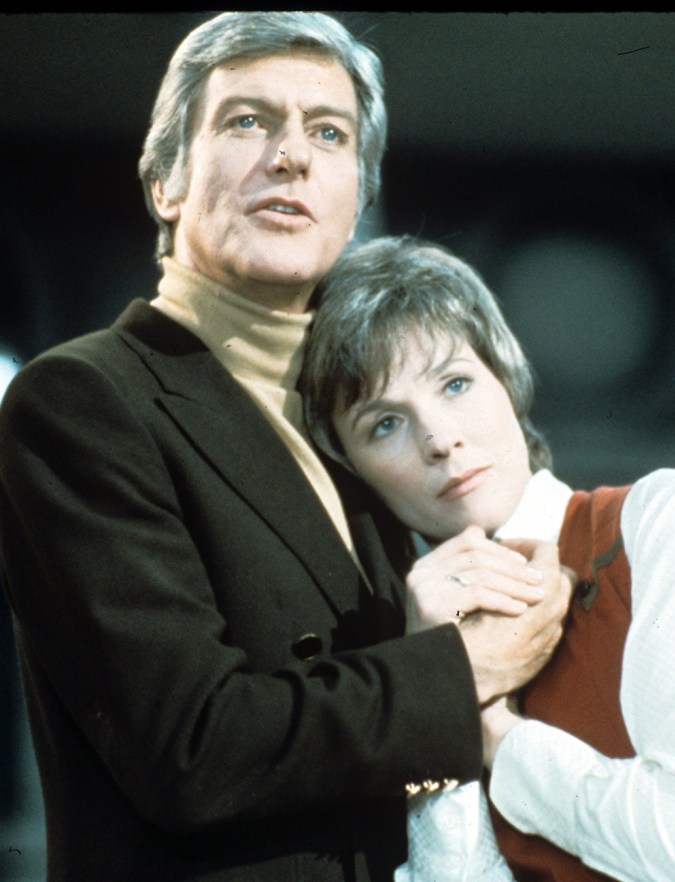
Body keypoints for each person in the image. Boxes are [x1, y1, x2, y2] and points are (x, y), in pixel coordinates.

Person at [0, 13, 571, 882]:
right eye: (246, 121)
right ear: (165, 182)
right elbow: (193, 747)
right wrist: (457, 676)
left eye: (328, 132)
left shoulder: (362, 415)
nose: (291, 155)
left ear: (355, 197)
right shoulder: (82, 399)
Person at [301, 233, 675, 881]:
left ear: (505, 379)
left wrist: (492, 737)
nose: (440, 439)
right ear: (353, 471)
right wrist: (436, 683)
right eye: (384, 424)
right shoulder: (399, 659)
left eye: (454, 384)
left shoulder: (654, 522)